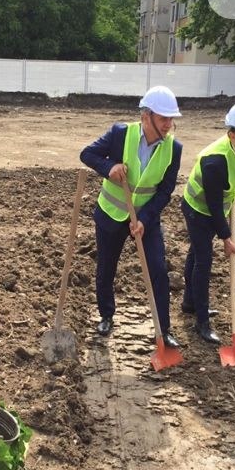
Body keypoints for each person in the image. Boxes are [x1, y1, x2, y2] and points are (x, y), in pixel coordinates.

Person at [80, 86, 183, 349]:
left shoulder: (174, 149)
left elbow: (165, 191)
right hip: (111, 214)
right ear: (146, 116)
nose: (169, 125)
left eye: (172, 119)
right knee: (106, 267)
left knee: (158, 270)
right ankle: (106, 315)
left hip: (145, 220)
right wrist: (109, 167)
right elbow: (87, 154)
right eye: (164, 119)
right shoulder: (120, 134)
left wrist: (145, 219)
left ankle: (163, 329)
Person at [181, 101, 235, 344]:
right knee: (204, 261)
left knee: (196, 255)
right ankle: (201, 320)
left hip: (216, 208)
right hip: (198, 211)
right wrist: (226, 237)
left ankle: (189, 302)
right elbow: (213, 205)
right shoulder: (214, 161)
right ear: (233, 135)